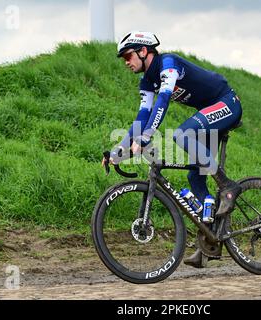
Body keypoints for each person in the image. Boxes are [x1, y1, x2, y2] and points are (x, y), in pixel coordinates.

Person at [102, 31, 242, 268]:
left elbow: (163, 101)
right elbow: (141, 117)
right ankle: (210, 241)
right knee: (194, 177)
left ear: (143, 51)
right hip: (206, 113)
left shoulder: (168, 64)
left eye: (128, 55)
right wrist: (118, 151)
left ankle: (228, 186)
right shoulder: (147, 82)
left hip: (226, 102)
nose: (126, 61)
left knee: (182, 134)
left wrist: (146, 137)